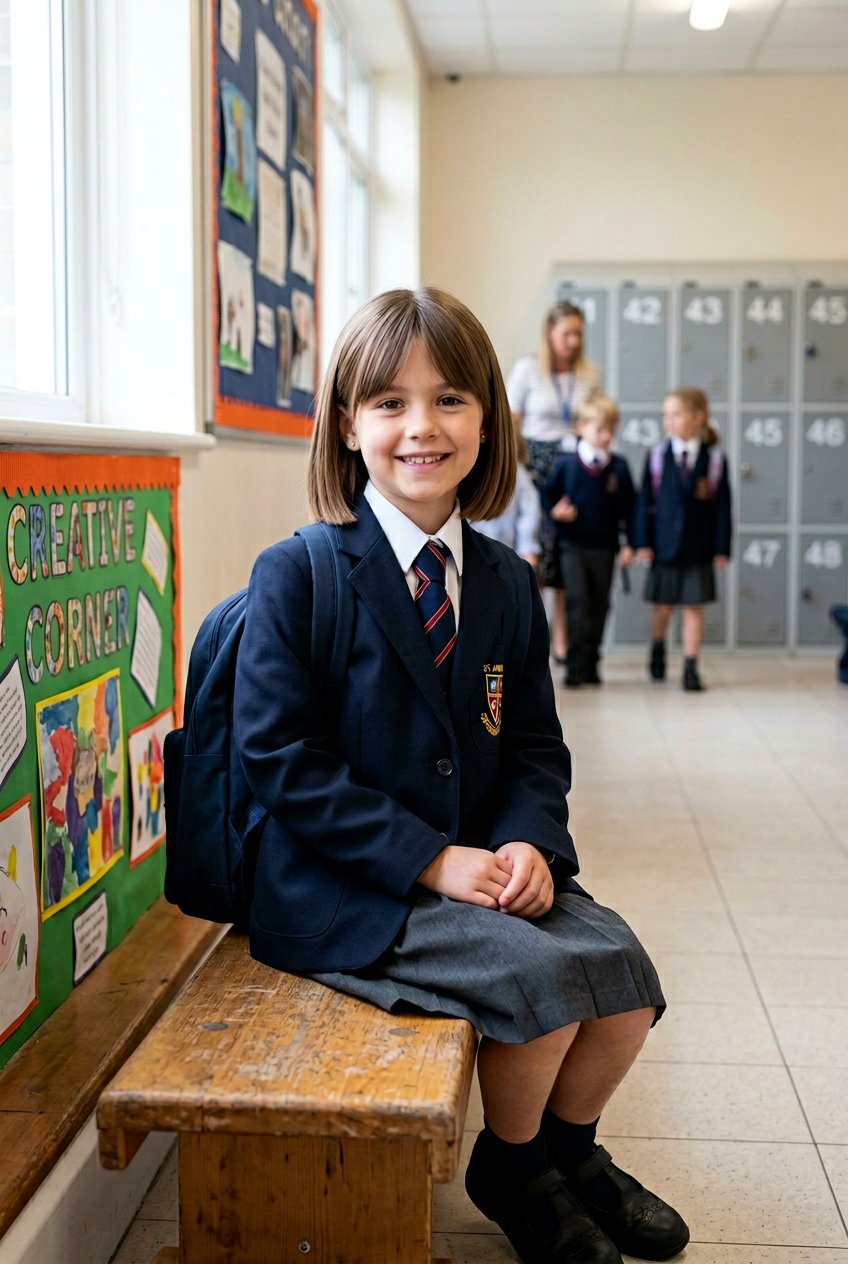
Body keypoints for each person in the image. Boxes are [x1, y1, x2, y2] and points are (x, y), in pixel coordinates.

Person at [233, 287, 689, 1264]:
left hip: (479, 854)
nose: (419, 426)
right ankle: (514, 1169)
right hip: (341, 881)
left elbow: (531, 744)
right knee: (541, 981)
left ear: (488, 418)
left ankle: (567, 1153)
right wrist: (430, 859)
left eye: (448, 399)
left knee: (626, 978)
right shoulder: (298, 573)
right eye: (388, 402)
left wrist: (527, 838)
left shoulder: (504, 582)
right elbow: (280, 763)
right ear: (348, 424)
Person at [507, 302, 603, 663]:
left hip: (574, 467)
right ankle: (535, 635)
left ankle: (563, 637)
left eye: (579, 333)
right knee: (539, 553)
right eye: (567, 333)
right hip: (535, 464)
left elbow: (595, 419)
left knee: (566, 555)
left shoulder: (590, 373)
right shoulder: (528, 370)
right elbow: (511, 421)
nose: (574, 341)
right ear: (550, 333)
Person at [634, 387, 732, 692]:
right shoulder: (656, 457)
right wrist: (642, 543)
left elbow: (724, 508)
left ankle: (691, 668)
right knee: (663, 606)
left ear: (698, 418)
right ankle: (658, 648)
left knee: (693, 607)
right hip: (663, 547)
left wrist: (721, 548)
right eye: (666, 415)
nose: (669, 421)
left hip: (697, 548)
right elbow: (643, 504)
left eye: (676, 414)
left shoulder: (714, 460)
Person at [541, 396, 635, 689]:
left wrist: (631, 543)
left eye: (611, 430)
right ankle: (574, 663)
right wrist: (555, 511)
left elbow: (630, 509)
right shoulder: (567, 465)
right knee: (577, 601)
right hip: (572, 545)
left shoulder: (619, 468)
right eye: (600, 429)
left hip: (605, 547)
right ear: (581, 427)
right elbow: (547, 495)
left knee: (599, 604)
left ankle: (592, 660)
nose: (606, 436)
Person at [473, 433, 541, 569]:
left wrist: (527, 547)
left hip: (508, 550)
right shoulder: (468, 470)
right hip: (473, 552)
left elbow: (528, 511)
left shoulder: (517, 473)